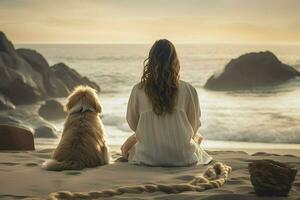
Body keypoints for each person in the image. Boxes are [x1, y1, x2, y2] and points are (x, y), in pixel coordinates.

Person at [121, 39, 212, 166]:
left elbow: (133, 124)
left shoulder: (138, 90)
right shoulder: (189, 90)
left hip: (147, 157)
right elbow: (194, 125)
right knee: (198, 137)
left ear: (151, 62)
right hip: (182, 157)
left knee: (126, 146)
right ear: (175, 61)